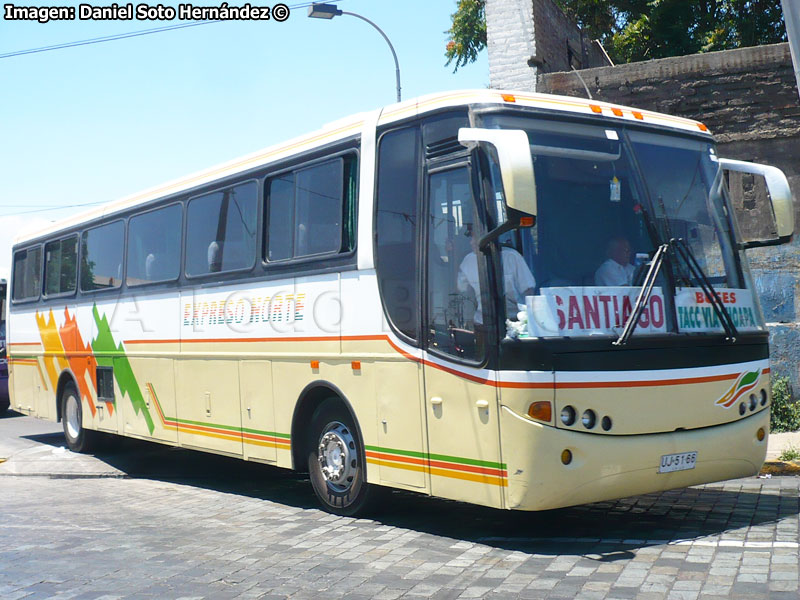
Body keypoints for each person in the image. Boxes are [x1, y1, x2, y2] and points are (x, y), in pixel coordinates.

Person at [457, 226, 536, 324]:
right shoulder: (468, 262)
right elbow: (462, 293)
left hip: (513, 323)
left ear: (489, 237)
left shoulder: (512, 257)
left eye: (475, 237)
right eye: (471, 237)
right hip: (482, 324)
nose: (471, 242)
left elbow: (529, 292)